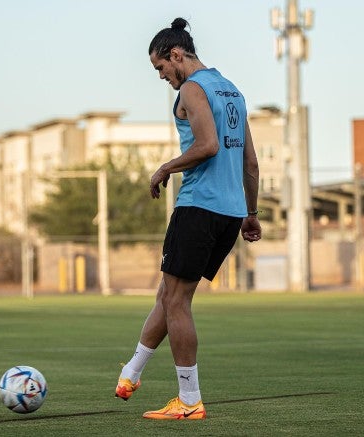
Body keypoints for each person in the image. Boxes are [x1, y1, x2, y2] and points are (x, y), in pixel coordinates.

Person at [115, 17, 262, 420]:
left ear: (176, 55)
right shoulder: (232, 91)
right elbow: (249, 161)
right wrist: (251, 213)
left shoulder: (192, 89)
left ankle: (189, 400)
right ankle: (131, 373)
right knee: (170, 295)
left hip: (200, 206)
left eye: (161, 68)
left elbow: (208, 145)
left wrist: (166, 167)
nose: (162, 76)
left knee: (177, 300)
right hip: (230, 213)